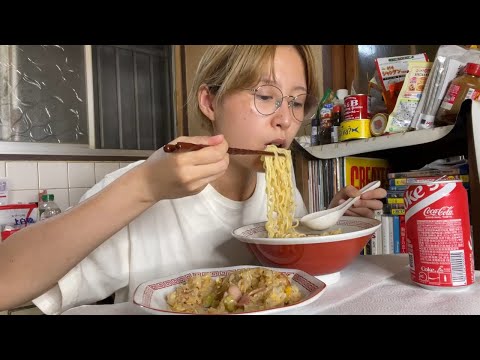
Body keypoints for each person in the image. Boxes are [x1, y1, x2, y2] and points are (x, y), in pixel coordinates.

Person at [0, 45, 387, 313]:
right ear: (209, 102)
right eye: (266, 96)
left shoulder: (275, 186)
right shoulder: (143, 190)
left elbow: (293, 272)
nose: (286, 119)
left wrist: (334, 223)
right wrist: (144, 187)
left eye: (297, 100)